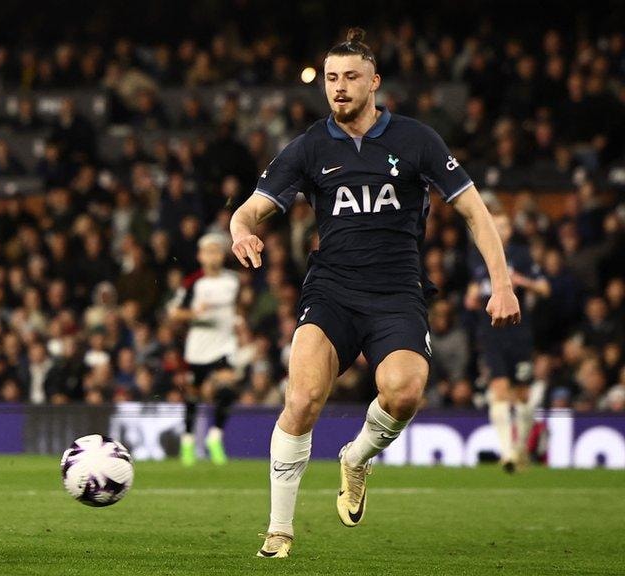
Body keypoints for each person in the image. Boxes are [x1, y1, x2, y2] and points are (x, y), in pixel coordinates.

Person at [229, 29, 521, 559]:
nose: (339, 88)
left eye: (351, 78)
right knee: (301, 399)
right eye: (332, 79)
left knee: (405, 392)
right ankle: (279, 530)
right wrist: (241, 230)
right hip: (332, 292)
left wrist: (501, 283)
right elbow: (249, 208)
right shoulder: (311, 146)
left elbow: (475, 211)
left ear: (374, 82)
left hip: (396, 294)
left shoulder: (416, 140)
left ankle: (357, 457)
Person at [465, 211, 550, 472]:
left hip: (519, 334)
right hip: (491, 335)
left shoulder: (521, 256)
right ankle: (507, 453)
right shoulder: (479, 255)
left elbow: (545, 288)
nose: (499, 230)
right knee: (500, 390)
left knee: (522, 395)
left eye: (503, 225)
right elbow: (470, 297)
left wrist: (521, 281)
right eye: (494, 225)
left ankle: (521, 447)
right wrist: (473, 295)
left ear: (510, 230)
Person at [168, 233, 241, 466]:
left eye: (216, 251)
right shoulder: (193, 283)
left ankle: (215, 437)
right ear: (200, 256)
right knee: (193, 395)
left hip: (223, 345)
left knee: (228, 387)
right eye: (208, 251)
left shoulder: (233, 281)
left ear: (223, 255)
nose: (212, 256)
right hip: (198, 347)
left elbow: (239, 306)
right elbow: (173, 313)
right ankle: (188, 441)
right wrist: (193, 313)